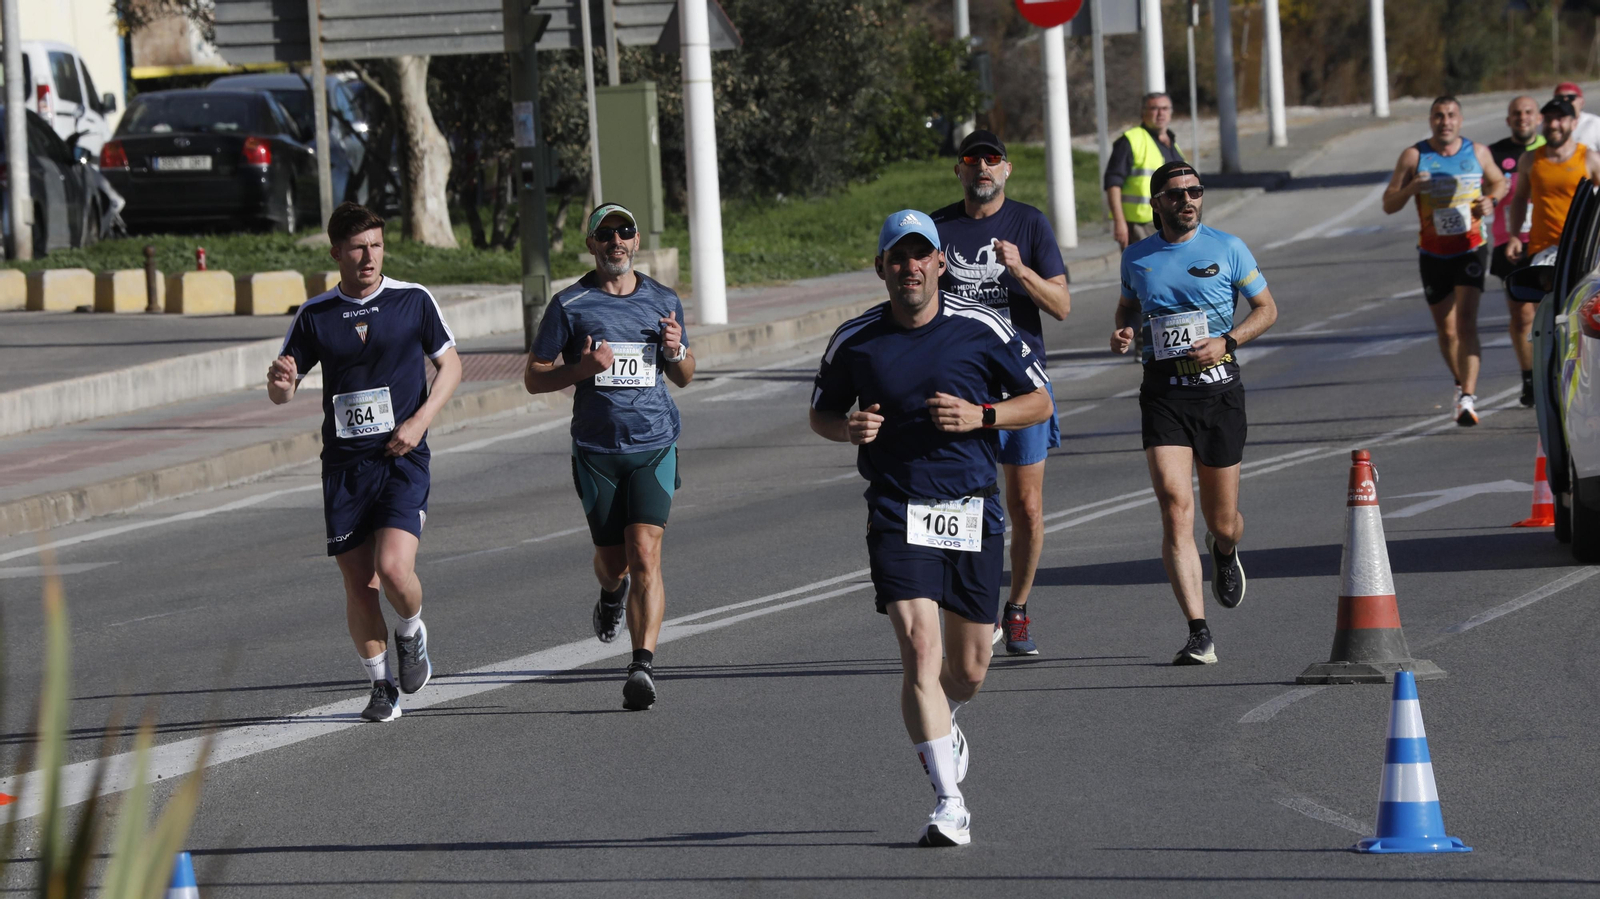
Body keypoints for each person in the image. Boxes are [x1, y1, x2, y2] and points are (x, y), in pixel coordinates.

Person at [810, 210, 1052, 846]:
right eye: (898, 257)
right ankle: (949, 802)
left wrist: (983, 415)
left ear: (940, 262)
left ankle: (946, 719)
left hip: (971, 510)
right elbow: (822, 413)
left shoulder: (982, 327)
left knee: (968, 671)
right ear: (881, 267)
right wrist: (847, 429)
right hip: (897, 508)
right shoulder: (856, 339)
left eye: (921, 255)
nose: (910, 267)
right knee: (920, 649)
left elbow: (1040, 401)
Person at [269, 202, 462, 723]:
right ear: (337, 253)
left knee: (394, 570)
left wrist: (420, 421)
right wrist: (280, 384)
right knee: (359, 585)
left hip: (402, 457)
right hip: (345, 467)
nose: (369, 256)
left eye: (376, 245)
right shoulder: (315, 315)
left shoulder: (412, 300)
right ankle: (381, 687)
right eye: (358, 248)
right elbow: (283, 390)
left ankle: (411, 629)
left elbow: (450, 365)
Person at [524, 203, 694, 712]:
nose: (616, 241)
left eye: (625, 232)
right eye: (605, 234)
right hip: (598, 451)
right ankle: (610, 593)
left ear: (636, 241)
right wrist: (582, 369)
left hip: (654, 445)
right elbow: (534, 377)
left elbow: (685, 374)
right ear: (592, 244)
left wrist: (675, 351)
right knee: (614, 563)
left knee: (645, 553)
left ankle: (641, 666)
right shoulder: (569, 304)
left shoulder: (663, 299)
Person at [1110, 162, 1278, 666]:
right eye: (1176, 193)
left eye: (1195, 191)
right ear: (1156, 203)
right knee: (1174, 505)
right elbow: (1127, 307)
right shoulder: (1137, 256)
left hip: (1219, 395)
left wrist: (1228, 341)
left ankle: (1224, 550)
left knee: (1222, 521)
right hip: (1164, 395)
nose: (1187, 200)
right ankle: (1198, 631)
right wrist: (1124, 330)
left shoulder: (1228, 248)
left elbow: (1266, 309)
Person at [932, 129, 1070, 656]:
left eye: (993, 160)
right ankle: (977, 608)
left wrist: (1019, 270)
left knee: (1026, 508)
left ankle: (1017, 608)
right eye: (973, 160)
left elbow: (1061, 306)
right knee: (965, 506)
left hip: (1021, 386)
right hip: (961, 388)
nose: (983, 168)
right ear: (959, 171)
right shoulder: (938, 228)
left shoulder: (1029, 223)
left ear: (1007, 169)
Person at [1381, 95, 1507, 427]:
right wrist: (1411, 188)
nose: (1445, 121)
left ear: (1460, 120)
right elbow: (1389, 204)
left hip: (1471, 247)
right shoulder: (1414, 156)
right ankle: (1460, 383)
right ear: (1431, 121)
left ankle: (1468, 397)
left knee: (1466, 322)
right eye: (1439, 115)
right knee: (1447, 332)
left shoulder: (1477, 152)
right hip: (1433, 253)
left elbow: (1499, 181)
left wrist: (1491, 200)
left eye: (1451, 115)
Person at [1488, 96, 1546, 406]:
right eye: (1516, 113)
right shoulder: (1494, 154)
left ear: (1538, 118)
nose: (1522, 118)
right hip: (1509, 242)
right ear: (1508, 120)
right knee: (1522, 316)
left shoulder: (1553, 149)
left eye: (1528, 112)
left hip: (1548, 241)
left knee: (1552, 314)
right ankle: (1530, 379)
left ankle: (1554, 373)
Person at [1507, 98, 1600, 270]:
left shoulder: (1589, 158)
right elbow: (1519, 198)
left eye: (1560, 119)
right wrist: (1514, 236)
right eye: (1549, 119)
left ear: (1574, 123)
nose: (1553, 125)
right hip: (1542, 248)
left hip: (1582, 248)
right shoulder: (1530, 159)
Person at [1104, 92, 1186, 250]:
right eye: (1154, 108)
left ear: (1171, 112)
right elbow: (1113, 184)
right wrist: (1119, 222)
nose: (1160, 113)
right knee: (1145, 266)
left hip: (1171, 221)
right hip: (1140, 225)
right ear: (1143, 112)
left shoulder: (1172, 144)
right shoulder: (1130, 141)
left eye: (1165, 108)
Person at [1553, 82, 1600, 153]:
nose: (1565, 101)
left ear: (1582, 102)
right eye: (1560, 98)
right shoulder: (1547, 125)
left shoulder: (1595, 124)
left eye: (1571, 97)